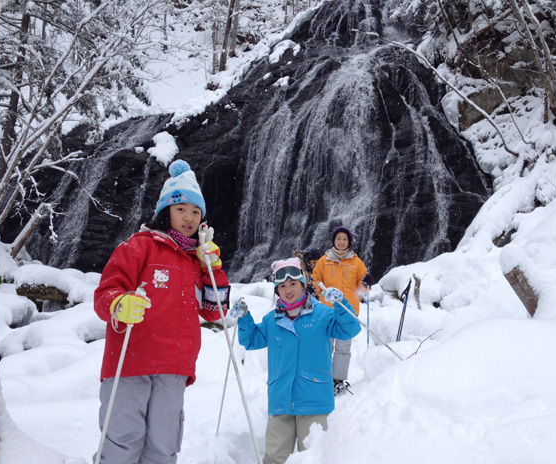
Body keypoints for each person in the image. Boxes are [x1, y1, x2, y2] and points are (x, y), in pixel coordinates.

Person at [93, 159, 230, 464]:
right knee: (121, 443)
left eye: (196, 212)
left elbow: (214, 310)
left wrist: (214, 270)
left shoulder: (199, 260)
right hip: (131, 361)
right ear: (165, 212)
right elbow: (104, 293)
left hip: (174, 366)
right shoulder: (140, 246)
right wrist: (119, 303)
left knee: (163, 446)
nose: (189, 217)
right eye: (181, 209)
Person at [233, 258, 361, 464]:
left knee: (313, 457)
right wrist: (244, 318)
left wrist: (340, 304)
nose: (288, 289)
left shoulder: (323, 314)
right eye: (282, 286)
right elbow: (251, 340)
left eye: (293, 284)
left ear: (303, 285)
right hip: (280, 400)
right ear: (276, 291)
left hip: (315, 400)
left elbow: (350, 329)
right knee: (275, 458)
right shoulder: (271, 320)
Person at [311, 226, 374, 395]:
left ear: (349, 242)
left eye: (344, 239)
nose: (341, 242)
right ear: (334, 241)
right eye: (338, 238)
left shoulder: (356, 262)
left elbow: (362, 288)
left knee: (343, 348)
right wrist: (322, 291)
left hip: (348, 311)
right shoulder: (324, 261)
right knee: (325, 346)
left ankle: (338, 380)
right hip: (327, 310)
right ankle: (323, 377)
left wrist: (367, 282)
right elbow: (315, 280)